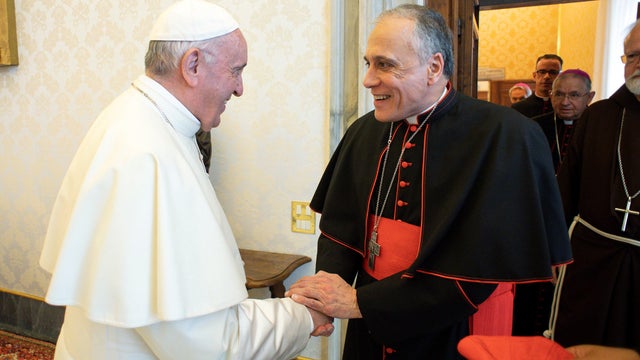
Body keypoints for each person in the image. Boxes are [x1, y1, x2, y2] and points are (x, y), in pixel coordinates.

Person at [38, 1, 333, 359]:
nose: (239, 89)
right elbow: (208, 345)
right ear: (192, 65)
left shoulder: (131, 117)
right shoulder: (149, 153)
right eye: (235, 70)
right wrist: (301, 316)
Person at [286, 5, 572, 359]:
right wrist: (324, 298)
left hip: (455, 324)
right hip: (368, 321)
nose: (368, 79)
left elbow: (476, 269)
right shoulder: (363, 131)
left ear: (434, 67)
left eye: (385, 64)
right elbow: (338, 233)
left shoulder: (504, 136)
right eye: (368, 63)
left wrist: (362, 301)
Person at [551, 19, 640, 350]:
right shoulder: (599, 115)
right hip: (590, 261)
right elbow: (566, 187)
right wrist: (553, 248)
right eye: (631, 56)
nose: (637, 64)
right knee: (579, 346)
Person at [531, 69, 595, 174]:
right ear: (551, 95)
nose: (565, 102)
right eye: (559, 94)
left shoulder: (600, 127)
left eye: (574, 95)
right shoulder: (535, 126)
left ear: (589, 97)